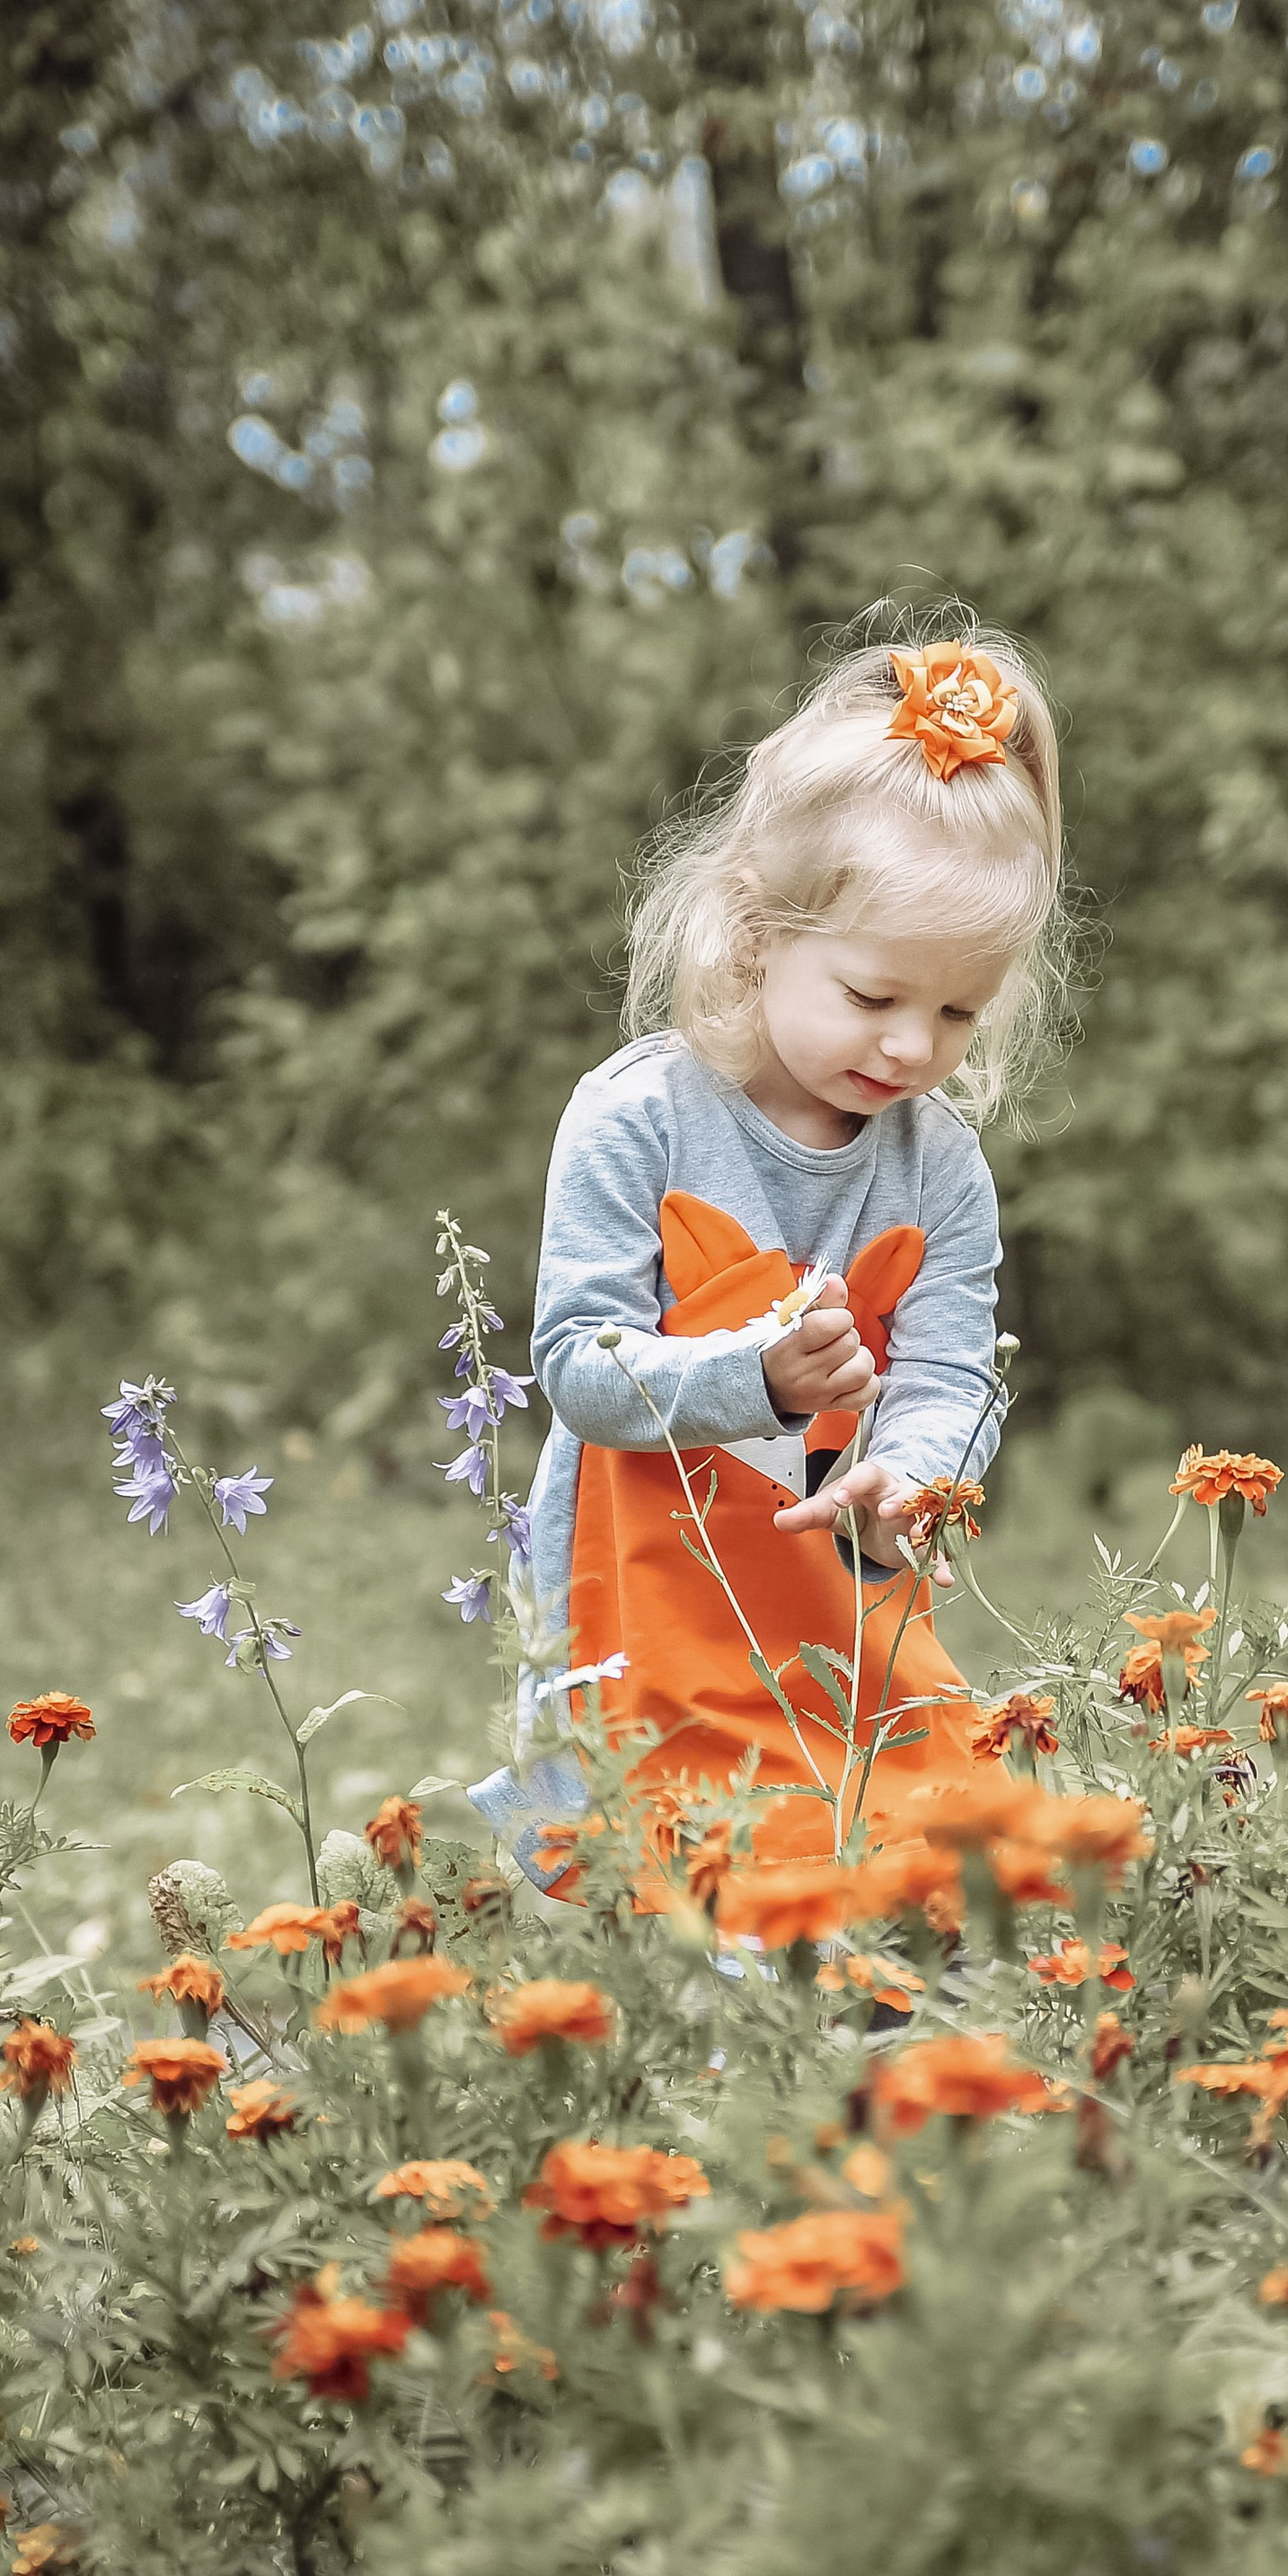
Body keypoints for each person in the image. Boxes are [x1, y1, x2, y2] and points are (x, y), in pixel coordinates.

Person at [471, 618, 1072, 1881]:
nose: (912, 1047)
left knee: (900, 1858)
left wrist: (913, 1478)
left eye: (957, 1011)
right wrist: (760, 1378)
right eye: (873, 997)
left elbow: (954, 1379)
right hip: (637, 1591)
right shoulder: (639, 1117)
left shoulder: (938, 1164)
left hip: (833, 1595)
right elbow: (578, 1364)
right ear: (758, 933)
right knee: (642, 1866)